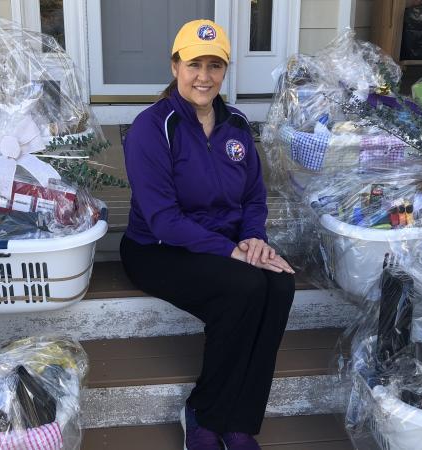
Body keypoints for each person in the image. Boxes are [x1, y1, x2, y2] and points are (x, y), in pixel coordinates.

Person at [119, 19, 296, 450]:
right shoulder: (152, 127)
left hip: (225, 245)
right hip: (157, 248)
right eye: (194, 64)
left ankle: (239, 420)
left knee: (280, 284)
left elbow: (253, 196)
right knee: (244, 287)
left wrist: (253, 239)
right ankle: (202, 412)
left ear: (225, 70)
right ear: (175, 66)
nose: (204, 76)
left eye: (214, 65)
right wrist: (232, 252)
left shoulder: (236, 124)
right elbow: (164, 219)